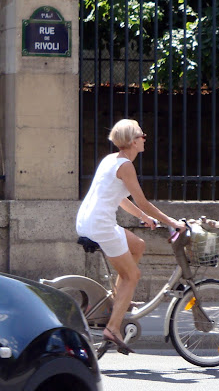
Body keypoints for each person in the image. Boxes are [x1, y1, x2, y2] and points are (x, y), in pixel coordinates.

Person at [76, 119, 186, 354]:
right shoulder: (125, 165)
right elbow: (143, 201)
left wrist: (142, 217)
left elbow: (121, 198)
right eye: (141, 135)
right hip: (101, 225)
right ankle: (113, 328)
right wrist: (173, 223)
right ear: (133, 141)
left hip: (89, 221)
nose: (145, 138)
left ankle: (119, 300)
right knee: (133, 275)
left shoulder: (111, 160)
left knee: (138, 245)